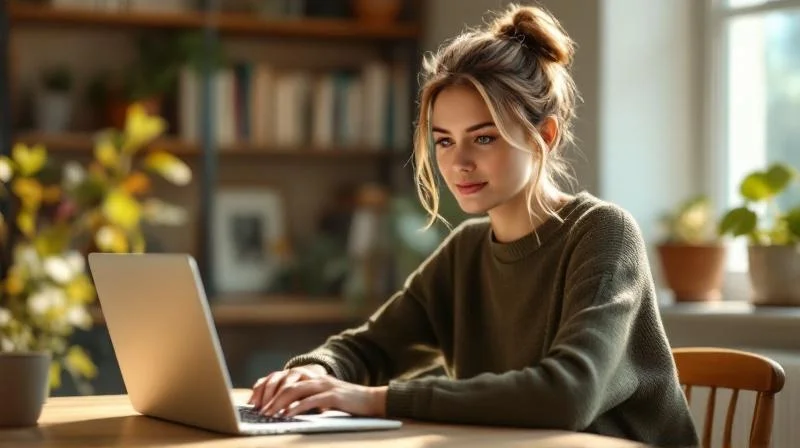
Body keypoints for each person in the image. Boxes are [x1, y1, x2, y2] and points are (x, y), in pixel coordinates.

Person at [248, 3, 699, 447]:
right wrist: (314, 372)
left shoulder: (603, 233)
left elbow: (567, 394)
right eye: (444, 141)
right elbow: (372, 348)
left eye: (484, 137)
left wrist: (375, 400)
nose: (458, 163)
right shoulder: (466, 251)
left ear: (544, 135)